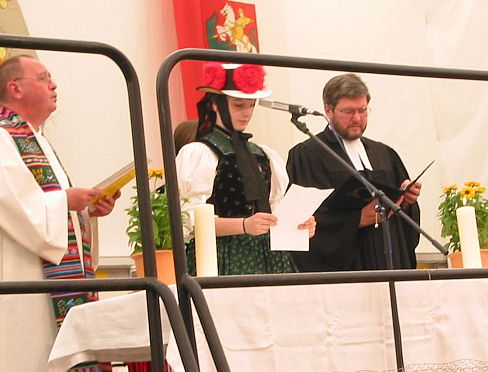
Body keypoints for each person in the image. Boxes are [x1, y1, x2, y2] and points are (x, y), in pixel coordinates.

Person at [0, 55, 120, 372]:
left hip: (48, 280)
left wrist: (84, 209)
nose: (54, 85)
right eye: (44, 78)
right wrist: (66, 199)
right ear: (15, 88)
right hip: (21, 283)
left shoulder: (38, 141)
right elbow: (0, 203)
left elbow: (44, 206)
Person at [176, 62, 315, 275]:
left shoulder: (264, 154)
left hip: (270, 257)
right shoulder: (199, 153)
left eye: (251, 105)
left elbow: (275, 211)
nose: (247, 113)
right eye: (239, 105)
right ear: (215, 104)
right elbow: (188, 220)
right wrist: (243, 225)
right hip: (222, 257)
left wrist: (298, 226)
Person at [287, 73, 421, 271]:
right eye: (348, 111)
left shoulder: (385, 154)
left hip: (390, 262)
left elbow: (406, 227)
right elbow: (299, 222)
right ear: (328, 110)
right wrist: (356, 221)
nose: (357, 118)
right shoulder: (308, 155)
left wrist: (407, 200)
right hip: (348, 270)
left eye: (363, 110)